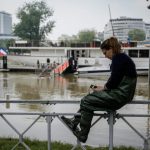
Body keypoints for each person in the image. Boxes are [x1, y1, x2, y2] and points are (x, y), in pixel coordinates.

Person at [61, 37, 137, 143]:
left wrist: (104, 88)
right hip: (122, 95)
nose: (105, 56)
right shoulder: (123, 58)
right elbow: (115, 82)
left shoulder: (118, 59)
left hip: (119, 97)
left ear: (111, 48)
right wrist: (102, 88)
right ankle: (74, 122)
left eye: (105, 53)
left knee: (86, 101)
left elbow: (114, 81)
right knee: (89, 99)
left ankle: (82, 134)